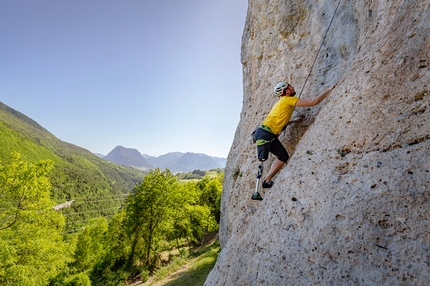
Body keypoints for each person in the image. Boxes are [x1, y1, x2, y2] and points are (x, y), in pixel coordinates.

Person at [251, 81, 337, 200]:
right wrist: (328, 89)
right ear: (285, 91)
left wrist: (295, 121)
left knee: (283, 156)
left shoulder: (283, 102)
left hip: (266, 133)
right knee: (262, 159)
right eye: (289, 87)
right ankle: (256, 191)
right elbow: (313, 102)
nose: (292, 87)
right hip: (265, 134)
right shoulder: (287, 99)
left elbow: (282, 120)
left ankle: (267, 181)